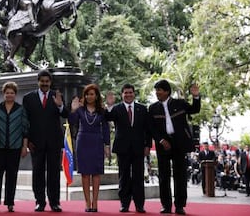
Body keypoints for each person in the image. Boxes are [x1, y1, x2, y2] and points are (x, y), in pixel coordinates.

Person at [148, 80, 200, 215]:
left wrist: (195, 97)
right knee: (163, 176)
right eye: (156, 90)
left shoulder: (180, 103)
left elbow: (195, 110)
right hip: (162, 145)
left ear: (167, 91)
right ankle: (166, 205)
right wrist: (160, 140)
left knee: (180, 175)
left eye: (159, 90)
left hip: (179, 144)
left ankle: (179, 206)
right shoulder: (153, 108)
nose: (157, 93)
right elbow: (151, 128)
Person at [22, 70, 69, 212]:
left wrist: (60, 105)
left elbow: (66, 114)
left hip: (54, 142)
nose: (44, 84)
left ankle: (55, 202)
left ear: (50, 82)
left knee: (54, 173)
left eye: (47, 81)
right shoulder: (28, 98)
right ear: (38, 82)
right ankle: (40, 202)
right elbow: (25, 121)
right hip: (35, 143)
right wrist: (28, 140)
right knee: (37, 173)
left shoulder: (57, 95)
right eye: (42, 81)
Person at [105, 84, 151, 213]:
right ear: (122, 95)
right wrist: (109, 105)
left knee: (138, 176)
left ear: (134, 94)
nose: (128, 95)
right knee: (123, 176)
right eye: (126, 93)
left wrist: (148, 145)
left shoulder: (142, 109)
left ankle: (139, 205)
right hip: (122, 148)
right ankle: (124, 203)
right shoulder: (117, 109)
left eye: (130, 92)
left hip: (138, 148)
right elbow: (108, 117)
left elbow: (148, 129)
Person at [0, 82, 29, 212]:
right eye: (7, 93)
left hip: (15, 146)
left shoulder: (21, 109)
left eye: (12, 93)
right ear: (4, 94)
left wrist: (24, 146)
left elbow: (25, 128)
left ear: (15, 94)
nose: (9, 95)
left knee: (12, 175)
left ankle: (10, 203)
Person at [68, 84, 110, 212]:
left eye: (92, 94)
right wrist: (73, 110)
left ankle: (95, 202)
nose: (89, 96)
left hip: (97, 141)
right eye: (87, 94)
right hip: (83, 142)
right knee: (85, 174)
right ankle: (87, 203)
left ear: (96, 96)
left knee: (96, 173)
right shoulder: (80, 110)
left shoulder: (102, 111)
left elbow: (106, 129)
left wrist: (107, 145)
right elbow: (72, 122)